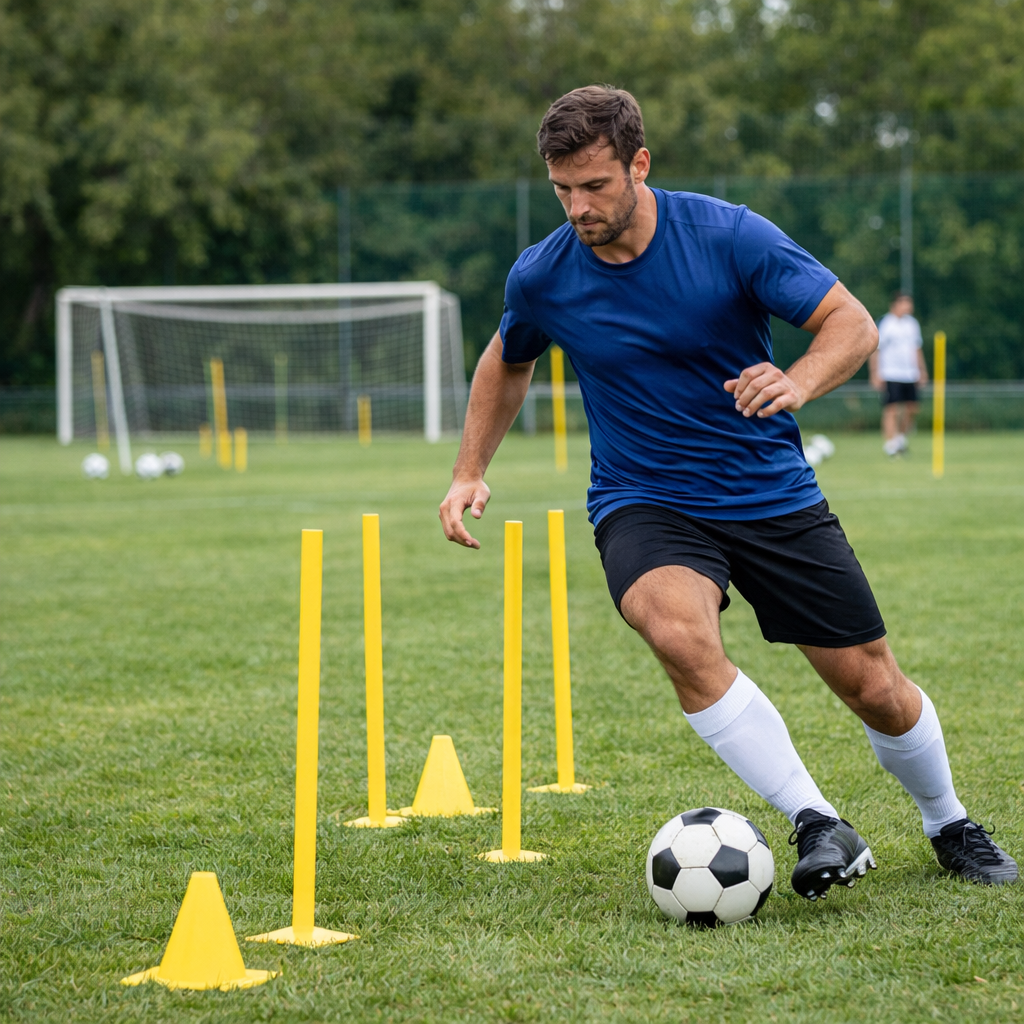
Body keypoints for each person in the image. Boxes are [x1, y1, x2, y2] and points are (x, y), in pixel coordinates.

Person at [438, 86, 1016, 897]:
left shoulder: (729, 235)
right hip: (645, 498)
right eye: (562, 189)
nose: (578, 208)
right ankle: (817, 820)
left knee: (874, 687)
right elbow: (509, 359)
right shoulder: (543, 274)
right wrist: (469, 468)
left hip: (769, 494)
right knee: (676, 633)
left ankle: (948, 822)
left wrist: (798, 380)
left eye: (595, 185)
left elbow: (850, 323)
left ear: (640, 164)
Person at [870, 293, 929, 456]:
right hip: (890, 373)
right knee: (892, 409)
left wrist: (922, 370)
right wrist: (875, 373)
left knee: (912, 408)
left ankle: (900, 439)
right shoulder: (885, 323)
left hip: (910, 373)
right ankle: (890, 444)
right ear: (895, 304)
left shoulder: (912, 324)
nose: (909, 307)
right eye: (905, 303)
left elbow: (917, 348)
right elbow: (875, 349)